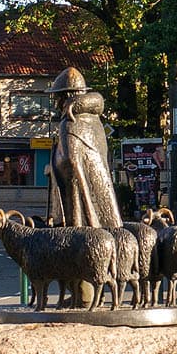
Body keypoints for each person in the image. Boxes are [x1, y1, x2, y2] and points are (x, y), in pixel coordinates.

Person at [47, 67, 121, 232]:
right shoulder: (95, 121)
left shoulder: (68, 123)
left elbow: (71, 162)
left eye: (57, 97)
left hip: (80, 203)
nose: (55, 103)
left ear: (66, 96)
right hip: (102, 194)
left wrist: (54, 165)